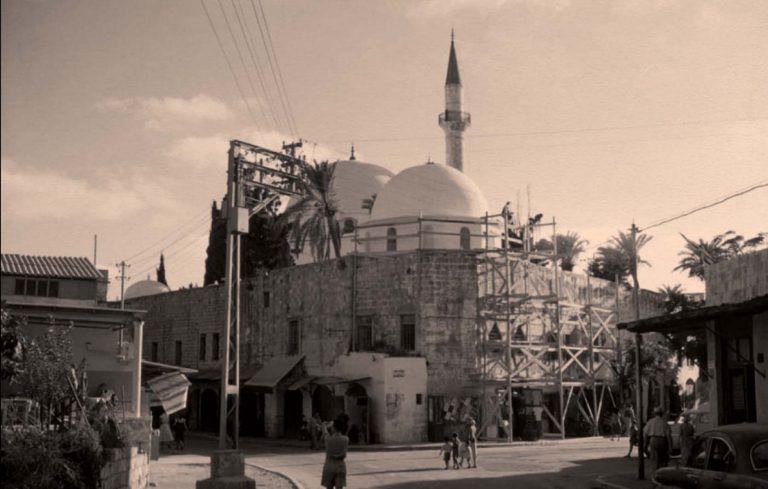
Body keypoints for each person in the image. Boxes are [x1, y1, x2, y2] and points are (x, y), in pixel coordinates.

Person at [321, 418, 349, 489]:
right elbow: (344, 454)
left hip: (329, 464)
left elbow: (325, 432)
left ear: (333, 428)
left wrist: (324, 425)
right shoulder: (345, 439)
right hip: (340, 465)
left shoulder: (328, 439)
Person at [643, 407, 672, 471]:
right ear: (661, 414)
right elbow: (668, 436)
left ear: (654, 413)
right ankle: (661, 471)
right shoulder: (664, 422)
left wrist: (645, 445)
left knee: (654, 458)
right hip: (662, 440)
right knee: (662, 458)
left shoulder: (650, 422)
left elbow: (645, 434)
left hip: (653, 440)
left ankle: (655, 471)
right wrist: (670, 447)